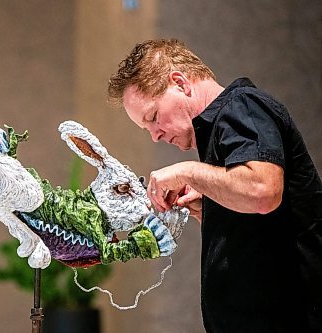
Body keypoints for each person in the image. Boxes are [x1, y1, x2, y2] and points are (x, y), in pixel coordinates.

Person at [107, 39, 322, 332]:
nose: (155, 136)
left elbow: (262, 192)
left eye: (154, 117)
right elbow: (260, 230)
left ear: (180, 83)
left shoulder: (242, 105)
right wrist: (208, 208)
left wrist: (191, 172)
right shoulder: (219, 130)